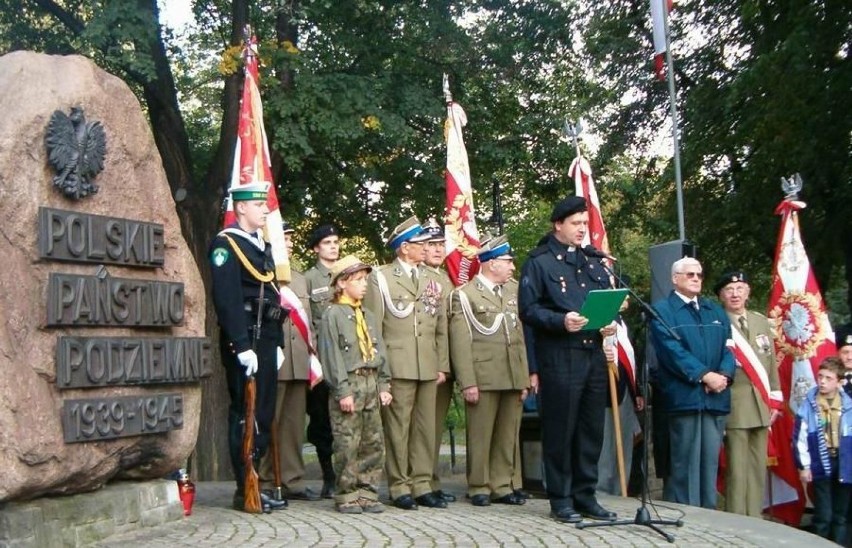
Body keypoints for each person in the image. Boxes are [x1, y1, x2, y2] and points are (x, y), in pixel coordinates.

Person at [518, 195, 618, 524]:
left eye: (585, 224)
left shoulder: (592, 260)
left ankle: (585, 494)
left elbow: (603, 297)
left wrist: (609, 317)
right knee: (561, 428)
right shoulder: (540, 261)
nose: (582, 230)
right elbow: (528, 310)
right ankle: (560, 497)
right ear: (558, 225)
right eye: (576, 223)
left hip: (592, 353)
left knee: (591, 428)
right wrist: (560, 321)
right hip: (560, 355)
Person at [209, 181, 288, 513]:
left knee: (264, 412)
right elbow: (227, 299)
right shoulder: (225, 245)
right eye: (258, 204)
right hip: (246, 340)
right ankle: (245, 487)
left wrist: (279, 342)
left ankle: (258, 481)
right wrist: (241, 345)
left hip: (266, 337)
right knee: (246, 412)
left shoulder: (261, 244)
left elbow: (270, 296)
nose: (265, 209)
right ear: (240, 207)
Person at [364, 216, 450, 510]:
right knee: (398, 428)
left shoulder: (431, 279)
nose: (426, 248)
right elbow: (374, 326)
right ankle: (399, 484)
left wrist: (441, 363)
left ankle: (422, 483)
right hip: (398, 363)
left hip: (426, 362)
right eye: (420, 244)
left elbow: (439, 325)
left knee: (425, 427)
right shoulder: (382, 278)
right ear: (403, 248)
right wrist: (380, 372)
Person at [649, 257, 735, 509]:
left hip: (715, 397)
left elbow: (729, 349)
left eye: (699, 274)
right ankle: (688, 518)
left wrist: (724, 376)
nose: (696, 278)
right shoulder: (663, 310)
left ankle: (708, 516)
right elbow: (671, 351)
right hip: (684, 398)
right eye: (690, 275)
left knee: (710, 462)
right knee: (684, 464)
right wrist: (703, 375)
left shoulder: (714, 310)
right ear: (675, 279)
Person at [449, 235, 529, 506]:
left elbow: (521, 337)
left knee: (508, 434)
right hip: (483, 375)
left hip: (512, 372)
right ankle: (479, 485)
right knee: (480, 433)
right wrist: (468, 381)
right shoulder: (464, 295)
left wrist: (525, 375)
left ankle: (502, 484)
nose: (512, 267)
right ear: (491, 263)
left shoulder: (514, 291)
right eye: (507, 262)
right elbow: (461, 343)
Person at [318, 255, 393, 514]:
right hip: (349, 383)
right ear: (341, 283)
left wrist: (384, 385)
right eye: (358, 280)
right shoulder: (333, 315)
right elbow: (331, 356)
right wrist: (342, 391)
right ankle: (346, 493)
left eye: (365, 279)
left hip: (371, 381)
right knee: (347, 441)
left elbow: (379, 350)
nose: (364, 285)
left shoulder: (368, 315)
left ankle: (367, 491)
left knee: (372, 440)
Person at [258, 222, 321, 502]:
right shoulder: (260, 274)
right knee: (268, 420)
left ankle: (292, 478)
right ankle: (265, 479)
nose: (290, 243)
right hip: (274, 359)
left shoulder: (299, 278)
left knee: (294, 425)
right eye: (284, 238)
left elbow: (309, 324)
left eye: (291, 238)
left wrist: (312, 357)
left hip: (298, 361)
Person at [714, 270, 782, 517]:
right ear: (721, 295)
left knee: (756, 468)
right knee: (737, 468)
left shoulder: (759, 321)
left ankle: (756, 517)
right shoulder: (718, 321)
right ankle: (737, 519)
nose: (735, 294)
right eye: (729, 290)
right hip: (735, 404)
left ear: (748, 292)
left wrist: (775, 398)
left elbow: (771, 362)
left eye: (740, 288)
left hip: (762, 403)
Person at [793, 357, 852, 543]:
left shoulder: (848, 406)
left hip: (845, 463)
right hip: (821, 462)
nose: (822, 381)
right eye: (820, 376)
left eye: (828, 378)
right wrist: (804, 466)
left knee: (841, 515)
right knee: (823, 515)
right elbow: (800, 439)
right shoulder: (809, 405)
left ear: (840, 382)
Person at [421, 218, 458, 504]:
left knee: (434, 424)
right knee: (423, 426)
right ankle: (420, 480)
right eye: (431, 244)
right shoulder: (419, 278)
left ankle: (431, 478)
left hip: (445, 364)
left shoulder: (446, 277)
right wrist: (439, 364)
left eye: (440, 244)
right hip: (427, 363)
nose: (437, 249)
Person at [304, 223, 340, 498]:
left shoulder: (349, 275)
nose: (333, 246)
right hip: (321, 361)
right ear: (316, 248)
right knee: (321, 423)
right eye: (327, 242)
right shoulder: (308, 280)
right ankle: (329, 476)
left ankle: (349, 475)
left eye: (336, 242)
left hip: (348, 358)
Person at [596, 294, 644, 497]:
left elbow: (631, 360)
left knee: (624, 447)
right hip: (606, 391)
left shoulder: (624, 323)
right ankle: (602, 491)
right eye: (622, 296)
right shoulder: (601, 319)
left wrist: (637, 391)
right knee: (605, 448)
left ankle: (619, 489)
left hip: (625, 391)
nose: (627, 300)